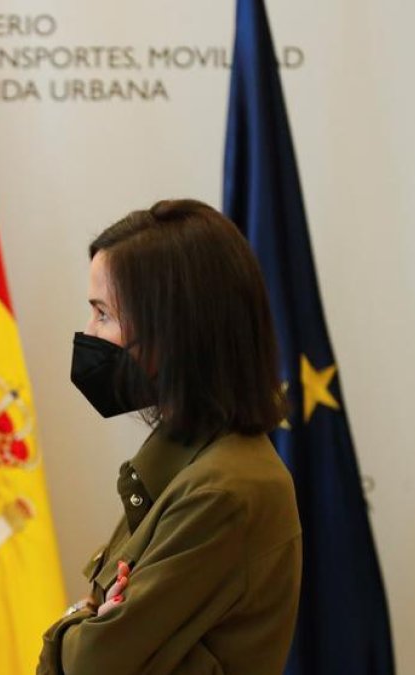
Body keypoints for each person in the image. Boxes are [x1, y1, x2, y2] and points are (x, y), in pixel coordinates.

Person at [38, 199, 302, 675]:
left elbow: (88, 665)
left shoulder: (223, 491)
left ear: (174, 330)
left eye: (103, 314)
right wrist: (90, 621)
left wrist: (70, 627)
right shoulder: (180, 460)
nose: (87, 332)